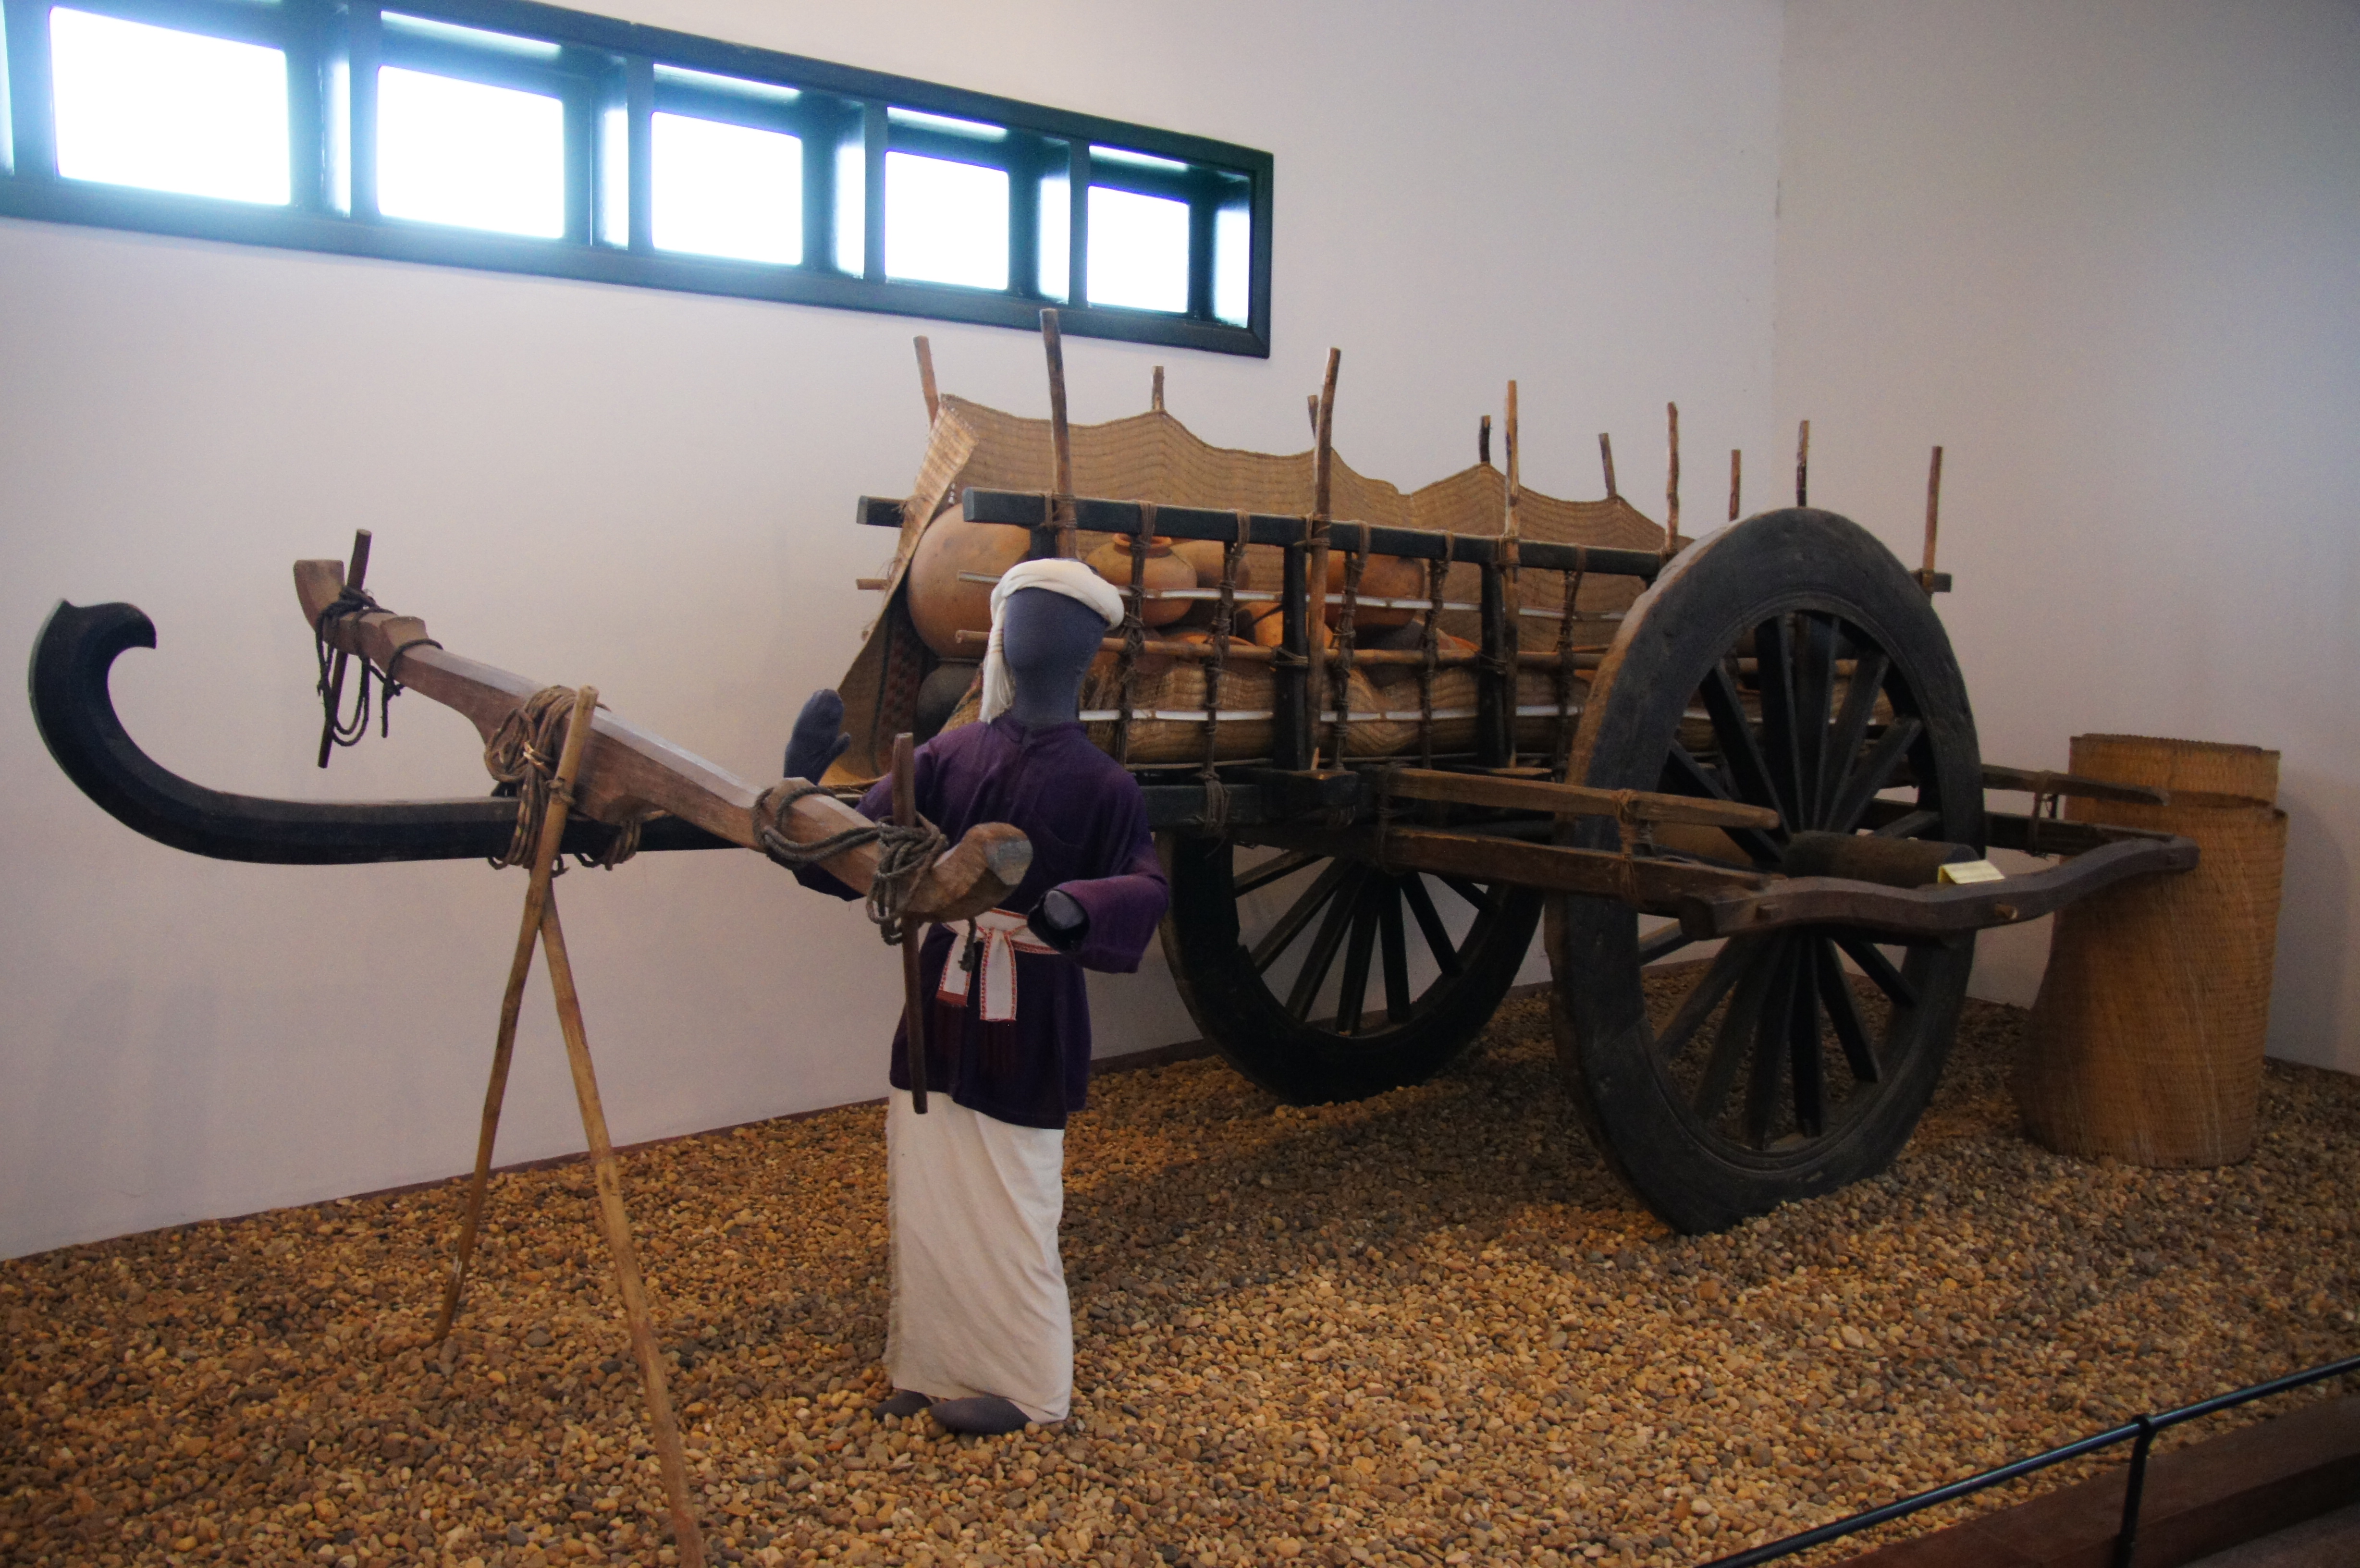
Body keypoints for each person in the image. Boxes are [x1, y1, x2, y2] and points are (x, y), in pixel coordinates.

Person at [786, 558, 1168, 1434]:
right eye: (1028, 619)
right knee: (927, 1184)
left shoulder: (1106, 786)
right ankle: (930, 1365)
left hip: (1028, 1006)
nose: (1036, 638)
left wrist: (1083, 906)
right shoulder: (948, 755)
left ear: (1086, 653)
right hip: (941, 997)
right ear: (1004, 638)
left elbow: (1147, 883)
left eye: (1055, 625)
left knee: (1018, 1195)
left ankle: (1033, 1389)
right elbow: (859, 854)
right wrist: (800, 787)